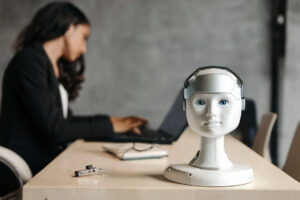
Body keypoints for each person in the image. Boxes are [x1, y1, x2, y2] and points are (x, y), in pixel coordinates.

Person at [0, 2, 147, 175]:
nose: (84, 49)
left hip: (45, 160)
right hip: (26, 166)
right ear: (69, 28)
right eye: (84, 37)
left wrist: (114, 121)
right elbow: (57, 129)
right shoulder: (29, 61)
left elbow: (66, 121)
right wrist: (112, 126)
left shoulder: (51, 64)